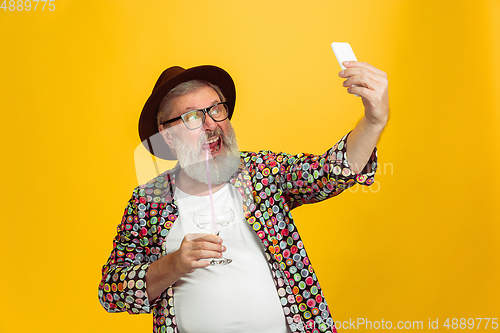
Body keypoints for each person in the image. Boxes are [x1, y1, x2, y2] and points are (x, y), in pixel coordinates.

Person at [98, 63, 389, 333]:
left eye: (215, 110)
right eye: (191, 117)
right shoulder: (149, 201)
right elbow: (111, 292)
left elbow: (329, 171)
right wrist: (173, 265)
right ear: (168, 136)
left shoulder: (263, 173)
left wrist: (374, 121)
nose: (210, 124)